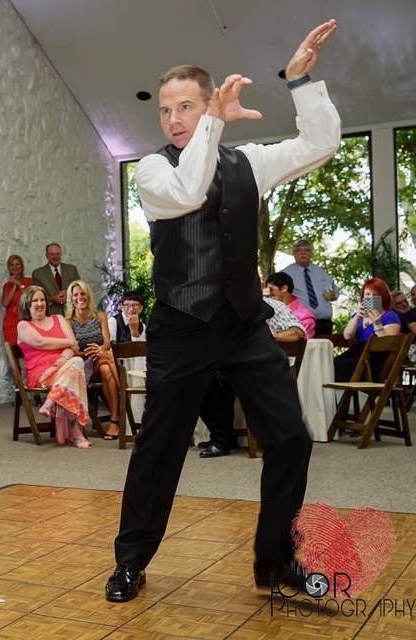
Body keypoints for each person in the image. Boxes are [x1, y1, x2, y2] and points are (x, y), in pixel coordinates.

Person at [105, 20, 340, 604]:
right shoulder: (154, 171)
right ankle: (131, 562)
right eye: (166, 110)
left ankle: (275, 563)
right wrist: (213, 124)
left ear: (208, 104)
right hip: (182, 328)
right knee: (160, 448)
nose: (174, 119)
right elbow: (189, 190)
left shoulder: (251, 164)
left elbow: (320, 145)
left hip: (241, 325)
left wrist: (302, 81)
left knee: (289, 438)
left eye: (188, 107)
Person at [198, 296, 306, 459]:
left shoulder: (272, 305)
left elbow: (297, 332)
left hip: (264, 364)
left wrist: (267, 337)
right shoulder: (216, 308)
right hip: (227, 362)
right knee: (198, 379)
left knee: (217, 380)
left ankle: (221, 440)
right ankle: (224, 435)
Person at [17, 285, 91, 448]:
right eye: (35, 300)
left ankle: (50, 401)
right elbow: (41, 342)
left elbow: (74, 349)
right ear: (27, 305)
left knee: (76, 363)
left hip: (64, 367)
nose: (40, 303)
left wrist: (62, 359)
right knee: (76, 368)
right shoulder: (23, 326)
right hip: (41, 374)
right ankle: (76, 433)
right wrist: (69, 343)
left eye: (42, 299)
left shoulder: (59, 319)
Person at [67, 280, 122, 439]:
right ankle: (123, 396)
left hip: (100, 360)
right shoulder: (68, 322)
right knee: (108, 360)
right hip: (82, 365)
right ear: (71, 299)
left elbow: (106, 342)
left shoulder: (100, 316)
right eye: (75, 295)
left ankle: (114, 420)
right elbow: (73, 351)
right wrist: (91, 353)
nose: (79, 297)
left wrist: (100, 350)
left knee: (105, 367)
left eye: (82, 293)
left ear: (88, 296)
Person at [334, 277, 401, 381]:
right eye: (368, 295)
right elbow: (347, 336)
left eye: (375, 295)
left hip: (375, 361)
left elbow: (388, 344)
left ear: (383, 297)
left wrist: (377, 324)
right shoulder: (359, 316)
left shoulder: (389, 316)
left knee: (340, 367)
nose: (371, 298)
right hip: (358, 356)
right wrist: (356, 317)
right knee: (331, 365)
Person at [282, 239, 338, 334]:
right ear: (294, 253)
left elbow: (334, 291)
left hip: (324, 324)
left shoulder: (321, 272)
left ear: (311, 253)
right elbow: (280, 298)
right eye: (298, 250)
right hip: (301, 324)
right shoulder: (285, 274)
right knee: (304, 349)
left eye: (307, 250)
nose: (302, 253)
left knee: (324, 348)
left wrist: (333, 295)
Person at [31, 243, 81, 317]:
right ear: (47, 256)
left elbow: (80, 289)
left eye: (57, 254)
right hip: (50, 315)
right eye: (52, 254)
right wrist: (52, 299)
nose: (55, 256)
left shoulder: (72, 269)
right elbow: (36, 297)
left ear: (61, 254)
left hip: (72, 314)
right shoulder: (38, 273)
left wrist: (69, 294)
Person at [266, 272, 316, 338]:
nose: (268, 293)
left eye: (271, 289)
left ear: (284, 288)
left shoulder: (304, 316)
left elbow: (302, 343)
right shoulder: (269, 309)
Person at [1, 254, 34, 345]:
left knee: (29, 351)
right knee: (13, 352)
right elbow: (5, 303)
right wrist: (14, 285)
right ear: (9, 268)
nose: (15, 267)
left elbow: (28, 299)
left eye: (17, 264)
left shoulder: (30, 281)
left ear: (22, 266)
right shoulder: (7, 285)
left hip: (26, 321)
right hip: (11, 324)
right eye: (12, 265)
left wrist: (19, 284)